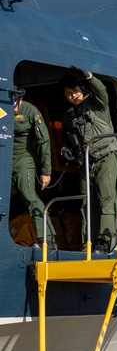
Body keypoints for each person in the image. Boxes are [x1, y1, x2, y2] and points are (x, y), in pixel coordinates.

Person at [60, 67, 117, 254]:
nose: (72, 96)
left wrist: (89, 77)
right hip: (86, 162)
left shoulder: (98, 105)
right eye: (68, 93)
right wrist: (64, 150)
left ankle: (104, 241)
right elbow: (64, 138)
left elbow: (101, 90)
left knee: (106, 199)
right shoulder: (69, 115)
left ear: (83, 90)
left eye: (75, 91)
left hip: (105, 157)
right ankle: (88, 242)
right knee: (87, 203)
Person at [10, 87, 55, 249]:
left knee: (29, 195)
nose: (12, 108)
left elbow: (44, 140)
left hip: (22, 157)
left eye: (15, 103)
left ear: (20, 99)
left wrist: (46, 171)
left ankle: (47, 238)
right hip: (4, 156)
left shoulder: (31, 111)